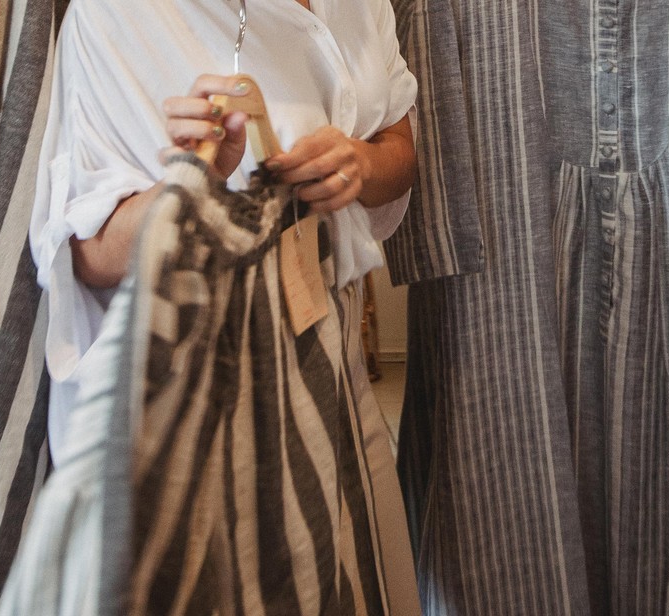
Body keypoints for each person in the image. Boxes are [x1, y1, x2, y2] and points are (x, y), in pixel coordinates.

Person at [24, 0, 422, 613]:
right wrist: (194, 183)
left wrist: (362, 164)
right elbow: (86, 253)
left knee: (356, 572)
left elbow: (398, 140)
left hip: (329, 352)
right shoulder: (115, 16)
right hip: (201, 383)